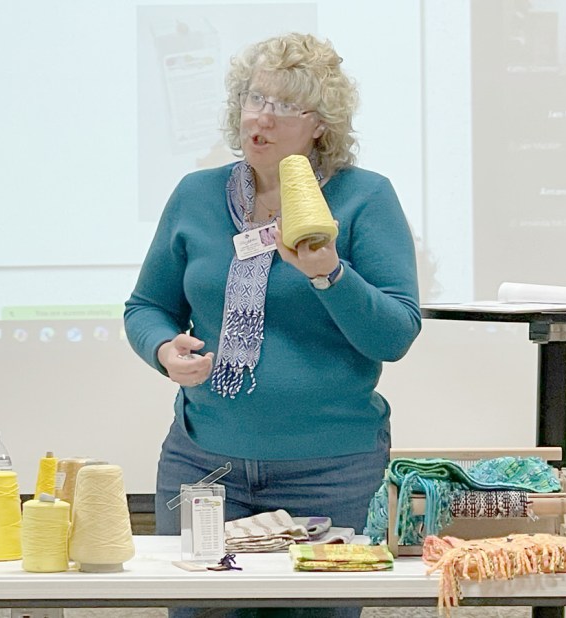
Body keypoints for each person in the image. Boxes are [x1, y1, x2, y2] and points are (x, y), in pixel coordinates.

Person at [124, 32, 421, 618]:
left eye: (285, 106)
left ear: (321, 124)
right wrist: (163, 348)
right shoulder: (196, 194)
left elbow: (396, 334)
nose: (260, 118)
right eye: (254, 98)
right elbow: (145, 307)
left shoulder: (364, 198)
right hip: (204, 469)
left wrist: (330, 274)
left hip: (331, 476)